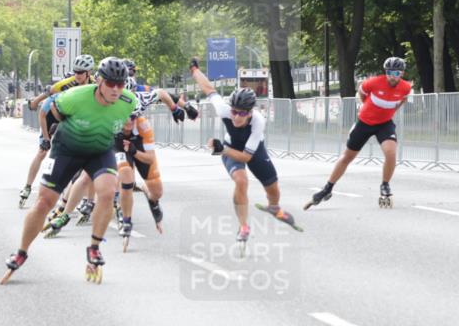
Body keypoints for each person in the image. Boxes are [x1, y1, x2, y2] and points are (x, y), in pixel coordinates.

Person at [2, 57, 137, 284]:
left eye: (120, 84)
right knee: (45, 202)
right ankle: (21, 251)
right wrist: (47, 138)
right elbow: (49, 113)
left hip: (99, 151)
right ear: (100, 81)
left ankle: (94, 248)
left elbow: (127, 125)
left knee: (106, 192)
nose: (116, 89)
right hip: (67, 150)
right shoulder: (75, 97)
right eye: (111, 83)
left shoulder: (128, 101)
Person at [189, 57, 297, 249]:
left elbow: (247, 157)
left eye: (242, 113)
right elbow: (208, 89)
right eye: (234, 112)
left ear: (250, 112)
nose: (236, 117)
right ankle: (244, 227)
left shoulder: (258, 122)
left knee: (273, 188)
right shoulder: (224, 110)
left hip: (251, 150)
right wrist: (195, 70)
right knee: (241, 181)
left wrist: (222, 149)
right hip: (230, 149)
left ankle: (274, 207)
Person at [306, 56, 412, 209]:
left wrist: (390, 112)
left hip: (384, 124)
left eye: (396, 73)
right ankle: (327, 188)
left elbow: (401, 101)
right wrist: (367, 107)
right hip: (364, 123)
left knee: (391, 152)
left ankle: (385, 185)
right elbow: (361, 94)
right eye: (389, 72)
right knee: (347, 157)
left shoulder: (406, 87)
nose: (392, 76)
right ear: (385, 72)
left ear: (401, 74)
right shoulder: (374, 82)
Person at [19, 54, 95, 207]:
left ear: (88, 73)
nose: (77, 75)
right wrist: (46, 138)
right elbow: (43, 111)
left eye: (80, 72)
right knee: (42, 152)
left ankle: (79, 195)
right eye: (75, 71)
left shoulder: (94, 85)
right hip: (51, 117)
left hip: (69, 118)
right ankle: (27, 187)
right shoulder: (67, 84)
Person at [114, 109, 165, 244]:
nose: (130, 120)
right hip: (118, 147)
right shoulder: (110, 123)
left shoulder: (143, 126)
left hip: (138, 148)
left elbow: (150, 159)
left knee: (157, 192)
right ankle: (126, 219)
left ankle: (151, 199)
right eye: (126, 116)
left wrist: (134, 151)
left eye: (133, 117)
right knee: (125, 175)